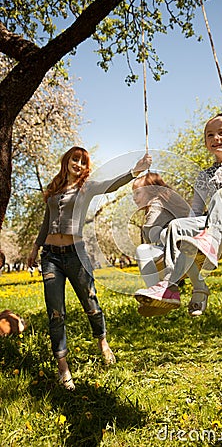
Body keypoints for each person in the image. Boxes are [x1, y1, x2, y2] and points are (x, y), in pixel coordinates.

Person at [28, 146, 152, 390]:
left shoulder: (86, 187)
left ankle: (102, 342)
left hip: (76, 254)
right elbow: (46, 222)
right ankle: (63, 368)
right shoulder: (53, 190)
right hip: (50, 256)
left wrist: (135, 170)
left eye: (83, 162)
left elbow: (111, 184)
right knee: (55, 312)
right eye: (75, 159)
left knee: (91, 304)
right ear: (66, 161)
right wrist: (35, 248)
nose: (78, 165)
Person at [134, 113, 222, 317]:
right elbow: (195, 210)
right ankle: (169, 287)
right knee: (175, 227)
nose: (216, 138)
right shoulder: (204, 176)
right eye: (210, 135)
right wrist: (183, 229)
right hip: (214, 221)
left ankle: (210, 241)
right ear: (205, 143)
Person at [132, 172, 190, 316]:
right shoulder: (165, 203)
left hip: (177, 248)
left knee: (144, 249)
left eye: (138, 193)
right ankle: (162, 293)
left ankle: (159, 292)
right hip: (173, 248)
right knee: (144, 250)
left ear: (151, 191)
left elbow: (151, 230)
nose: (134, 198)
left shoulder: (157, 204)